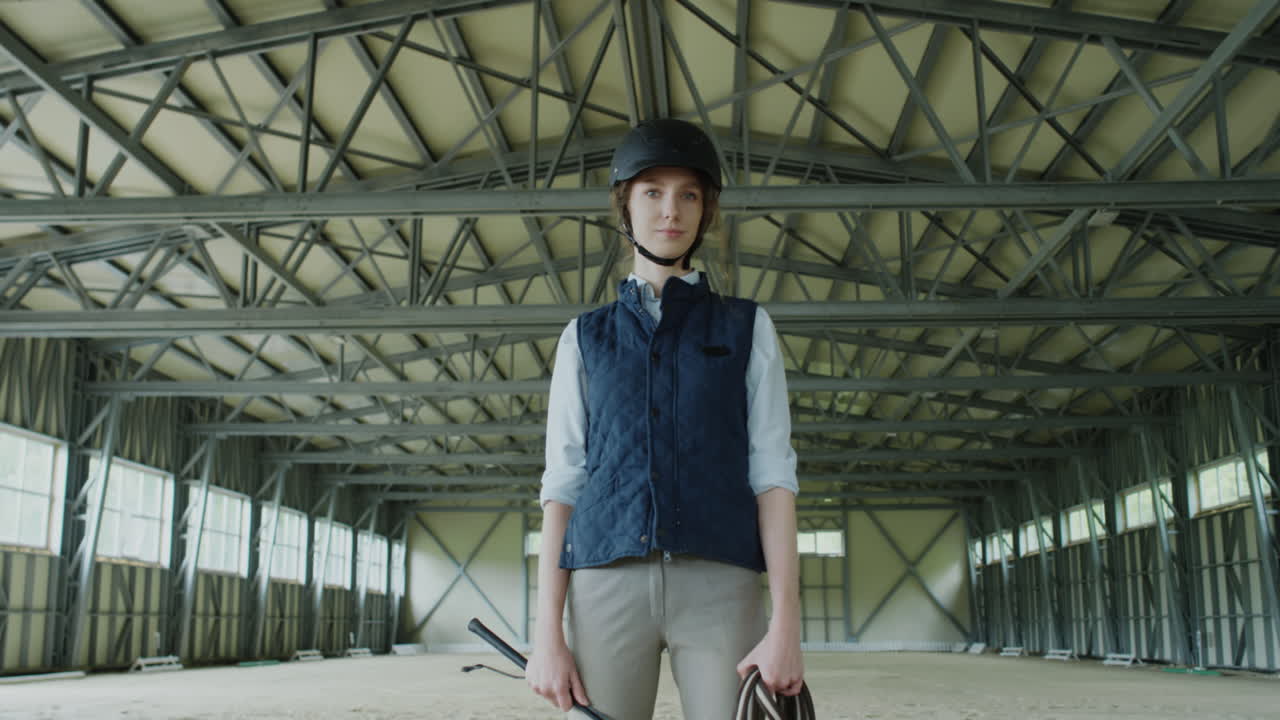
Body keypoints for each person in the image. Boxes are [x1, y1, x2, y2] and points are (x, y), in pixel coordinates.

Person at [527, 118, 803, 720]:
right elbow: (563, 485)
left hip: (721, 584)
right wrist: (547, 633)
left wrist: (786, 624)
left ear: (706, 211)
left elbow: (773, 477)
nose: (670, 210)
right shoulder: (583, 338)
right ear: (625, 205)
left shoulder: (747, 327)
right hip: (604, 584)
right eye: (652, 191)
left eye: (689, 195)